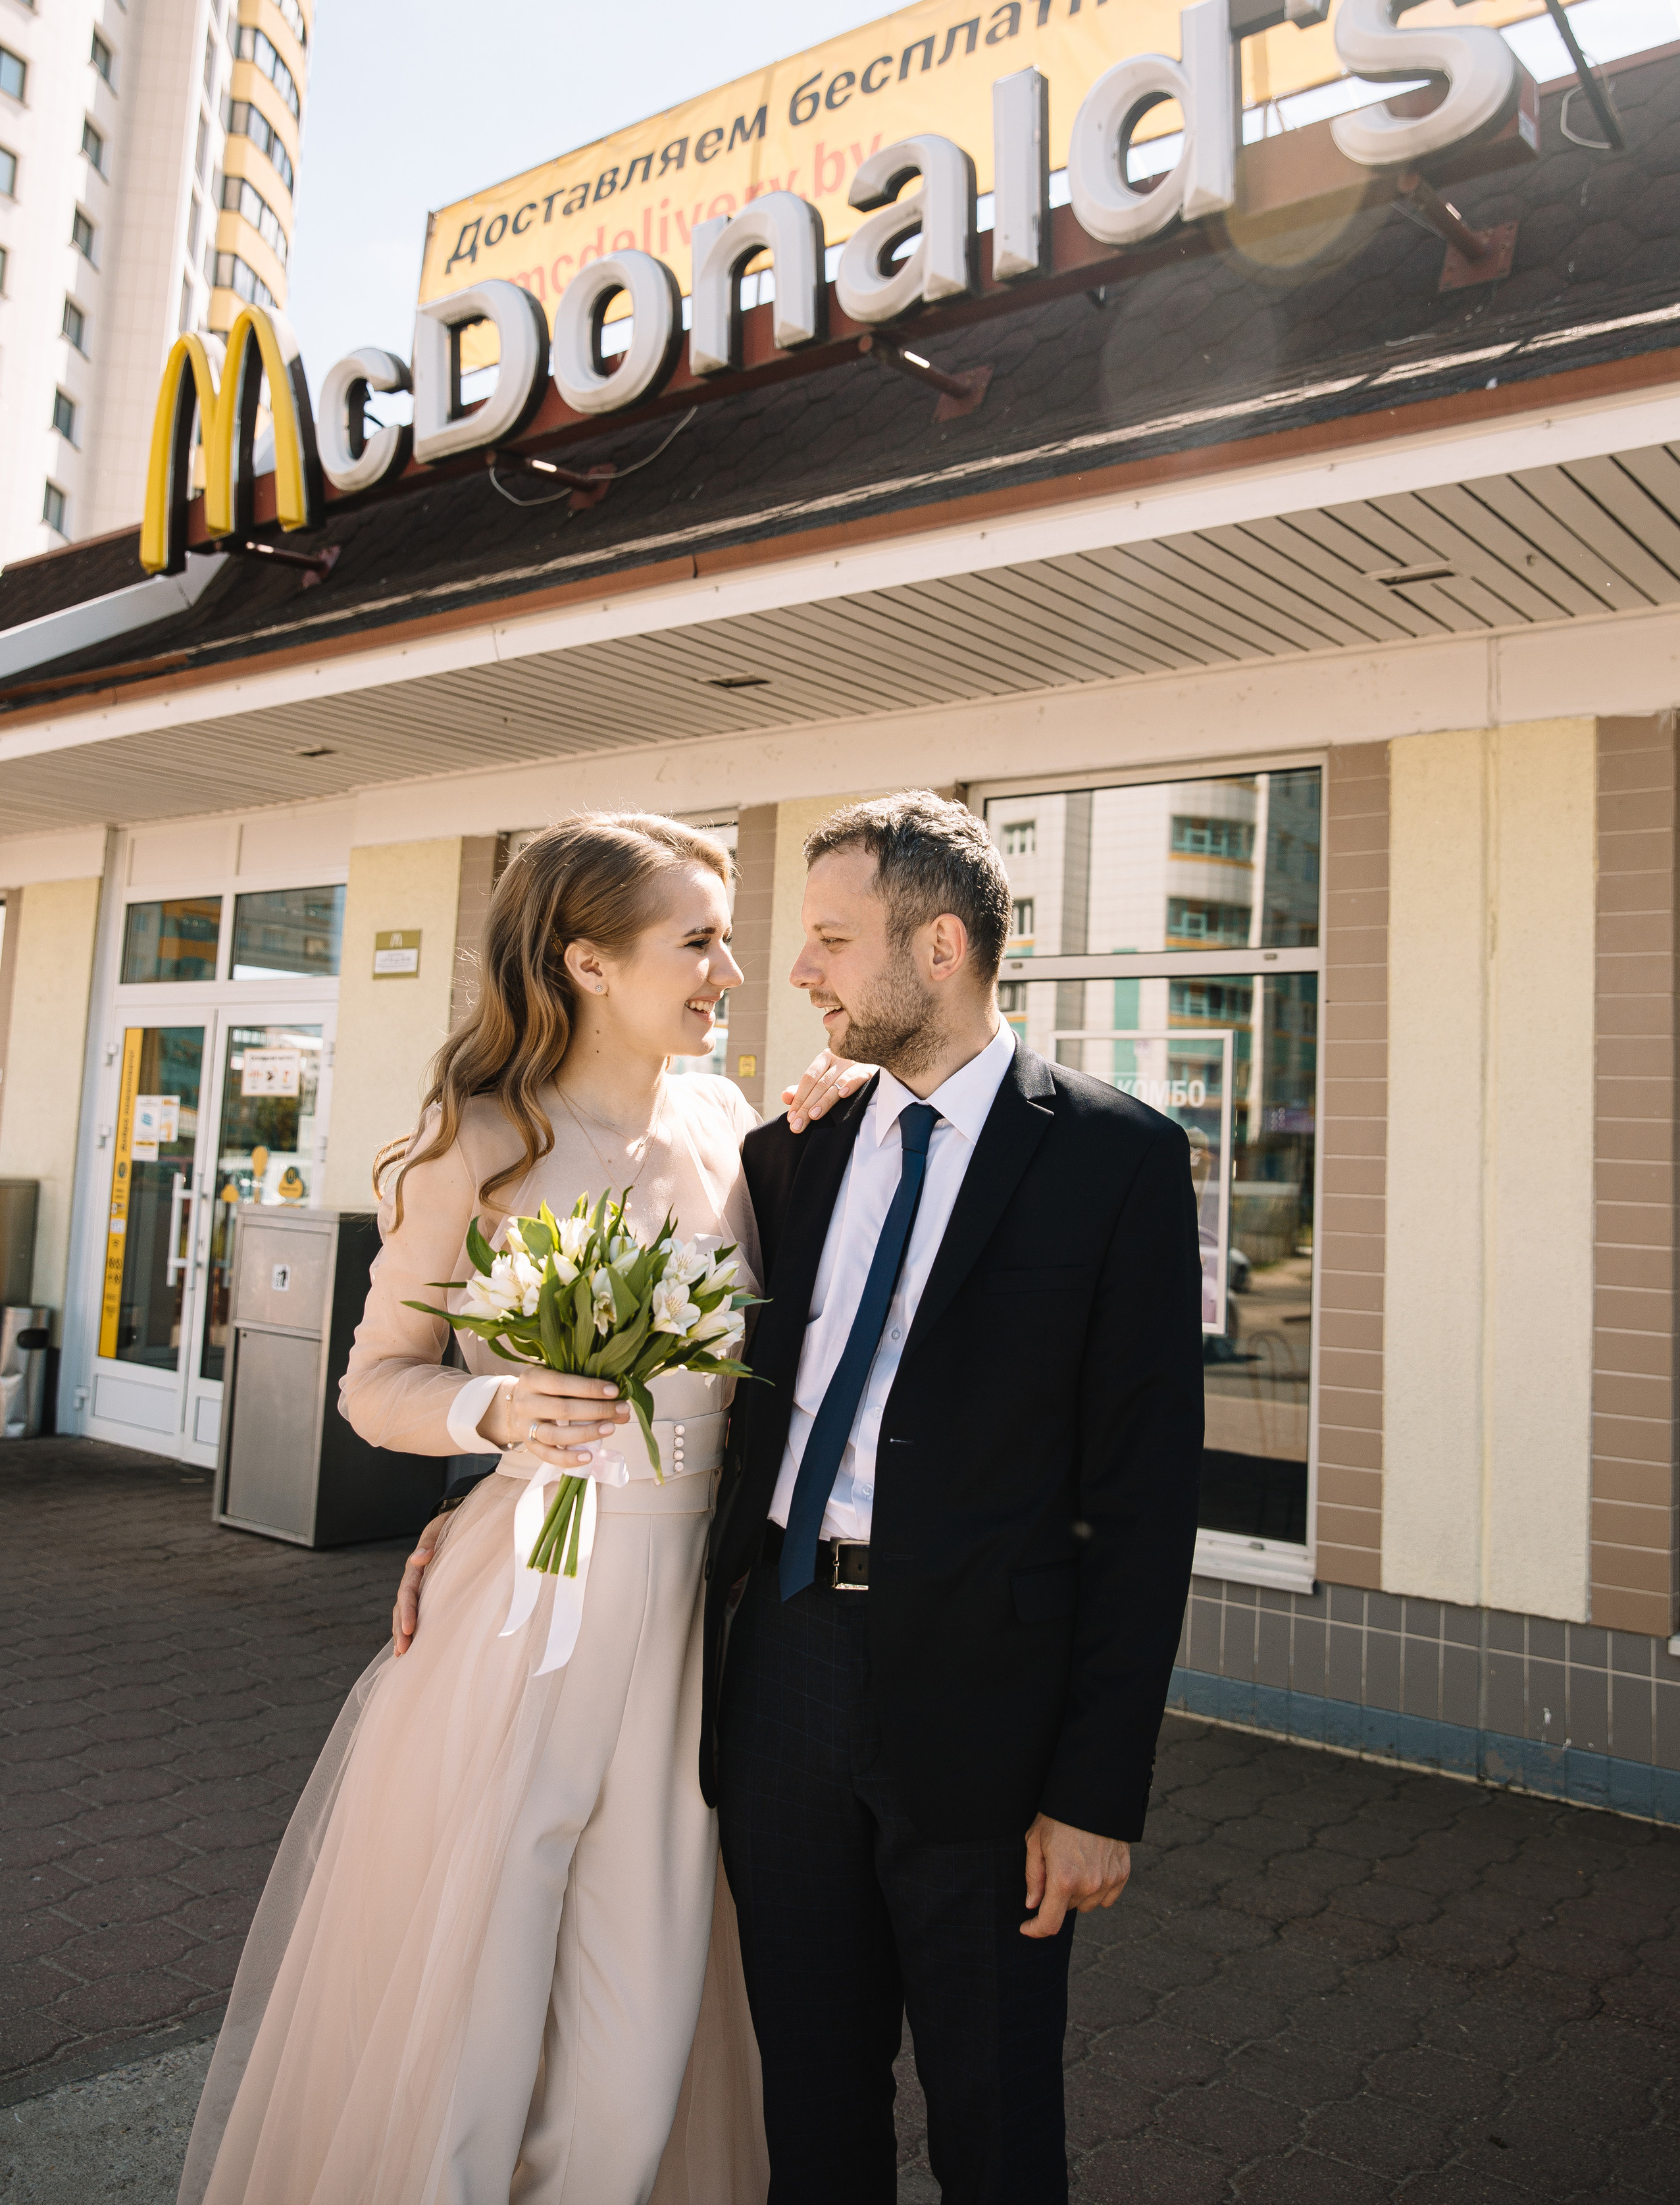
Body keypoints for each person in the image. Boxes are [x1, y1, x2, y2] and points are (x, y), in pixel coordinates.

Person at [178, 812, 865, 2205]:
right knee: (471, 2028)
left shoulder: (732, 1129)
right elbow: (376, 1387)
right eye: (699, 941)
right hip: (521, 1624)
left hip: (686, 1641)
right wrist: (490, 1419)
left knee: (640, 2040)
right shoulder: (474, 1146)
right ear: (588, 962)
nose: (729, 970)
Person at [702, 791, 1204, 2205]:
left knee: (992, 2112)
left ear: (936, 947)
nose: (796, 971)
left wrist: (1098, 1789)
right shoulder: (790, 1151)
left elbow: (1142, 1497)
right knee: (807, 2090)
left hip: (987, 1709)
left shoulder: (1113, 1158)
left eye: (825, 939)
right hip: (787, 1666)